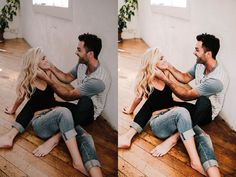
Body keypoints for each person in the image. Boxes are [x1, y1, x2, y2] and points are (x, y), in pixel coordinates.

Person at [0, 47, 103, 177]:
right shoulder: (30, 81)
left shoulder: (47, 74)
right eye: (43, 58)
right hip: (42, 123)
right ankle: (10, 136)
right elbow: (21, 98)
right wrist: (13, 109)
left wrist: (60, 105)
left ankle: (94, 172)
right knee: (60, 110)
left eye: (45, 57)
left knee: (86, 121)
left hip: (57, 115)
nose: (46, 60)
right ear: (34, 63)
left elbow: (54, 95)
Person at [119, 47, 221, 176]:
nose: (165, 60)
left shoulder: (165, 74)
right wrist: (130, 109)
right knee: (180, 111)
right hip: (160, 124)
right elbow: (139, 99)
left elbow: (174, 93)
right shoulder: (148, 81)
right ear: (152, 63)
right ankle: (194, 161)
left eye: (164, 57)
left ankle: (211, 170)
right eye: (161, 58)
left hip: (175, 116)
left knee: (203, 134)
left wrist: (178, 105)